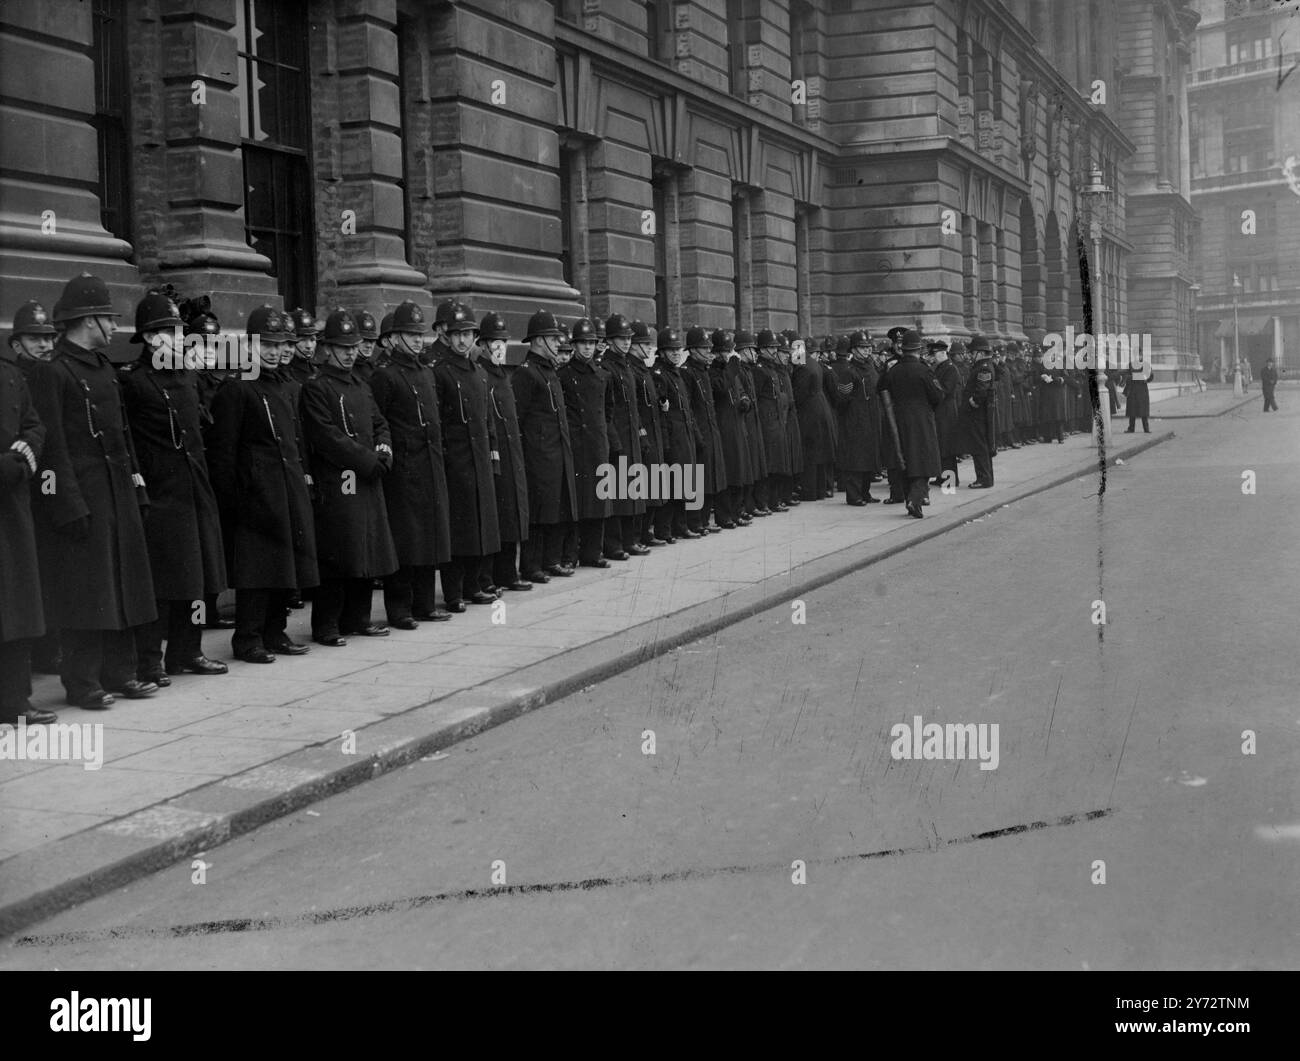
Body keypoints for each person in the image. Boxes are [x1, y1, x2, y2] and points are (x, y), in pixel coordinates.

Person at [28, 273, 158, 709]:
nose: (114, 329)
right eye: (108, 319)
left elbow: (124, 436)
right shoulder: (55, 372)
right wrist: (68, 504)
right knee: (88, 592)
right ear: (88, 321)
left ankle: (121, 673)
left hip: (118, 490)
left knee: (123, 585)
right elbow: (54, 448)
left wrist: (137, 486)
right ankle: (82, 683)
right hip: (84, 496)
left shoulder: (105, 368)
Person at [120, 290, 228, 684]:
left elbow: (202, 424)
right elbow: (127, 439)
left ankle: (187, 651)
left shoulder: (187, 377)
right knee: (163, 582)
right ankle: (149, 660)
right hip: (160, 491)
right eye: (168, 332)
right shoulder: (131, 381)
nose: (178, 339)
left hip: (194, 486)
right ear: (149, 339)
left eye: (179, 332)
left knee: (197, 576)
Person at [206, 307, 316, 663]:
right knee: (256, 572)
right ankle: (248, 637)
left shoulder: (286, 385)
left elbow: (296, 440)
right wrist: (235, 499)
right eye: (266, 344)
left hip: (287, 489)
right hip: (254, 495)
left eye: (280, 344)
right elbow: (223, 452)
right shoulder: (236, 387)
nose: (273, 351)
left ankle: (275, 630)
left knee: (286, 566)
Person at [300, 309, 398, 644]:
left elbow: (379, 422)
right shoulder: (317, 387)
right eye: (343, 347)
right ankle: (327, 624)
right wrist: (369, 460)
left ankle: (358, 618)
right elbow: (327, 437)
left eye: (353, 346)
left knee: (366, 551)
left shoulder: (360, 383)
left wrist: (384, 450)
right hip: (341, 480)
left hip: (367, 479)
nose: (350, 352)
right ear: (327, 348)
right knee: (340, 555)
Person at [371, 300, 454, 628]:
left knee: (429, 539)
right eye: (410, 334)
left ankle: (424, 603)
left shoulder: (427, 373)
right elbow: (378, 421)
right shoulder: (385, 377)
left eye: (420, 334)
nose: (418, 340)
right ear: (395, 337)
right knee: (406, 541)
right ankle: (399, 609)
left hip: (430, 466)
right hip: (403, 470)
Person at [0, 315, 54, 724]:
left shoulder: (11, 376)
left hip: (11, 506)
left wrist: (20, 459)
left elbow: (35, 426)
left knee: (15, 605)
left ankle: (16, 700)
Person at [432, 302, 501, 610]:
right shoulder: (441, 371)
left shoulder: (478, 372)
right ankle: (453, 592)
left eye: (468, 334)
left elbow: (487, 420)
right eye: (457, 334)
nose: (462, 341)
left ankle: (475, 585)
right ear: (447, 335)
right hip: (455, 460)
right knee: (458, 529)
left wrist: (492, 456)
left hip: (479, 459)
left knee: (479, 526)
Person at [513, 309, 576, 580]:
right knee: (538, 513)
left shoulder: (550, 372)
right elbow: (519, 419)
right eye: (553, 338)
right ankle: (531, 565)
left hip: (557, 452)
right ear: (538, 341)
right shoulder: (526, 374)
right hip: (537, 455)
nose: (557, 343)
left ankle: (551, 560)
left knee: (557, 507)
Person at [475, 312, 533, 590]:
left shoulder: (504, 375)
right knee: (499, 515)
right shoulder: (482, 374)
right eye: (493, 343)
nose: (499, 347)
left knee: (512, 514)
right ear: (483, 345)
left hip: (513, 453)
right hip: (495, 455)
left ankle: (509, 573)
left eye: (502, 342)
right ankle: (495, 575)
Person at [558, 317, 614, 566]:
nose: (588, 348)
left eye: (591, 343)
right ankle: (570, 555)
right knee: (577, 503)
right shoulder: (564, 375)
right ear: (574, 346)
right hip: (576, 443)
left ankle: (594, 552)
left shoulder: (603, 375)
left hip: (597, 442)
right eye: (582, 343)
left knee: (598, 500)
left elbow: (608, 409)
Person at [879, 330, 944, 517]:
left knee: (906, 460)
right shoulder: (924, 370)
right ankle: (915, 499)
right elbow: (938, 395)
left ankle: (911, 499)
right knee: (925, 460)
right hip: (922, 420)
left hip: (898, 419)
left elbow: (881, 389)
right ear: (918, 350)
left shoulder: (893, 370)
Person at [600, 314, 648, 556]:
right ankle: (615, 544)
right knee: (619, 493)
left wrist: (640, 431)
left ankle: (631, 539)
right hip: (618, 437)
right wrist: (614, 440)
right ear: (609, 340)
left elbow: (634, 405)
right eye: (621, 338)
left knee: (633, 491)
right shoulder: (606, 367)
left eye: (629, 338)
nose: (627, 342)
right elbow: (606, 410)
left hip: (631, 436)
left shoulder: (626, 366)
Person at [653, 326, 699, 540]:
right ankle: (665, 529)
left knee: (684, 483)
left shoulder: (677, 374)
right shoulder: (660, 374)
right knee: (671, 485)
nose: (675, 353)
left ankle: (680, 526)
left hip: (684, 434)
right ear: (661, 352)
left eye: (677, 349)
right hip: (672, 436)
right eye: (670, 350)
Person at [627, 319, 669, 543]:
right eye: (645, 344)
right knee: (643, 485)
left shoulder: (643, 369)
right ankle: (639, 533)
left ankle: (646, 532)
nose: (649, 348)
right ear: (635, 345)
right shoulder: (632, 369)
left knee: (654, 483)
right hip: (642, 432)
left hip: (653, 430)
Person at [683, 325, 727, 533]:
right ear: (692, 350)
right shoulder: (688, 372)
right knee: (697, 480)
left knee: (710, 477)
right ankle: (694, 521)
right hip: (698, 432)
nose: (709, 352)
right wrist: (697, 434)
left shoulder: (703, 371)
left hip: (710, 430)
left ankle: (703, 520)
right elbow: (689, 407)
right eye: (704, 348)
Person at [709, 327, 752, 528]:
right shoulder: (715, 371)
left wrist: (745, 400)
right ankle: (724, 514)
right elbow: (721, 388)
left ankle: (737, 510)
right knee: (728, 473)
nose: (731, 354)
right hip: (724, 428)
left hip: (737, 425)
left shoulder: (732, 370)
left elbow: (740, 389)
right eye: (727, 351)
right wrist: (733, 365)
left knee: (739, 471)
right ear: (717, 353)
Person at [829, 331, 877, 505]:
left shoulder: (871, 368)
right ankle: (854, 494)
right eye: (863, 348)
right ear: (854, 350)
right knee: (855, 460)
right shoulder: (849, 372)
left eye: (868, 347)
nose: (867, 351)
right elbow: (841, 399)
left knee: (869, 458)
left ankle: (865, 492)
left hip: (871, 419)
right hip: (855, 421)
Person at [791, 331, 838, 502]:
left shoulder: (802, 367)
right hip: (820, 409)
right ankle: (819, 490)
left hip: (809, 413)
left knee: (810, 454)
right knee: (818, 453)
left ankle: (810, 492)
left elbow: (799, 394)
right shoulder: (813, 364)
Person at [958, 335, 998, 488]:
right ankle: (986, 478)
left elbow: (982, 390)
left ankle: (984, 479)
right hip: (980, 413)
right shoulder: (984, 365)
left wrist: (972, 402)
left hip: (978, 414)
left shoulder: (984, 367)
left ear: (980, 353)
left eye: (972, 352)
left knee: (979, 446)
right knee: (981, 446)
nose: (970, 355)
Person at [928, 339, 962, 489]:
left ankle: (951, 480)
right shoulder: (941, 367)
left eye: (934, 354)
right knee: (941, 445)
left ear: (942, 353)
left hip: (947, 411)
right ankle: (942, 477)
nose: (933, 357)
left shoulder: (950, 368)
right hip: (941, 411)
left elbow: (946, 390)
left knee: (947, 447)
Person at [1122, 364, 1151, 433]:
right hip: (1132, 390)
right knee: (1132, 410)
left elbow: (1150, 376)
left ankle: (1146, 428)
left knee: (1143, 411)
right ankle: (1131, 428)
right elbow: (1126, 376)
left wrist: (1134, 376)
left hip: (1142, 390)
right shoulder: (1130, 364)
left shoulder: (1146, 365)